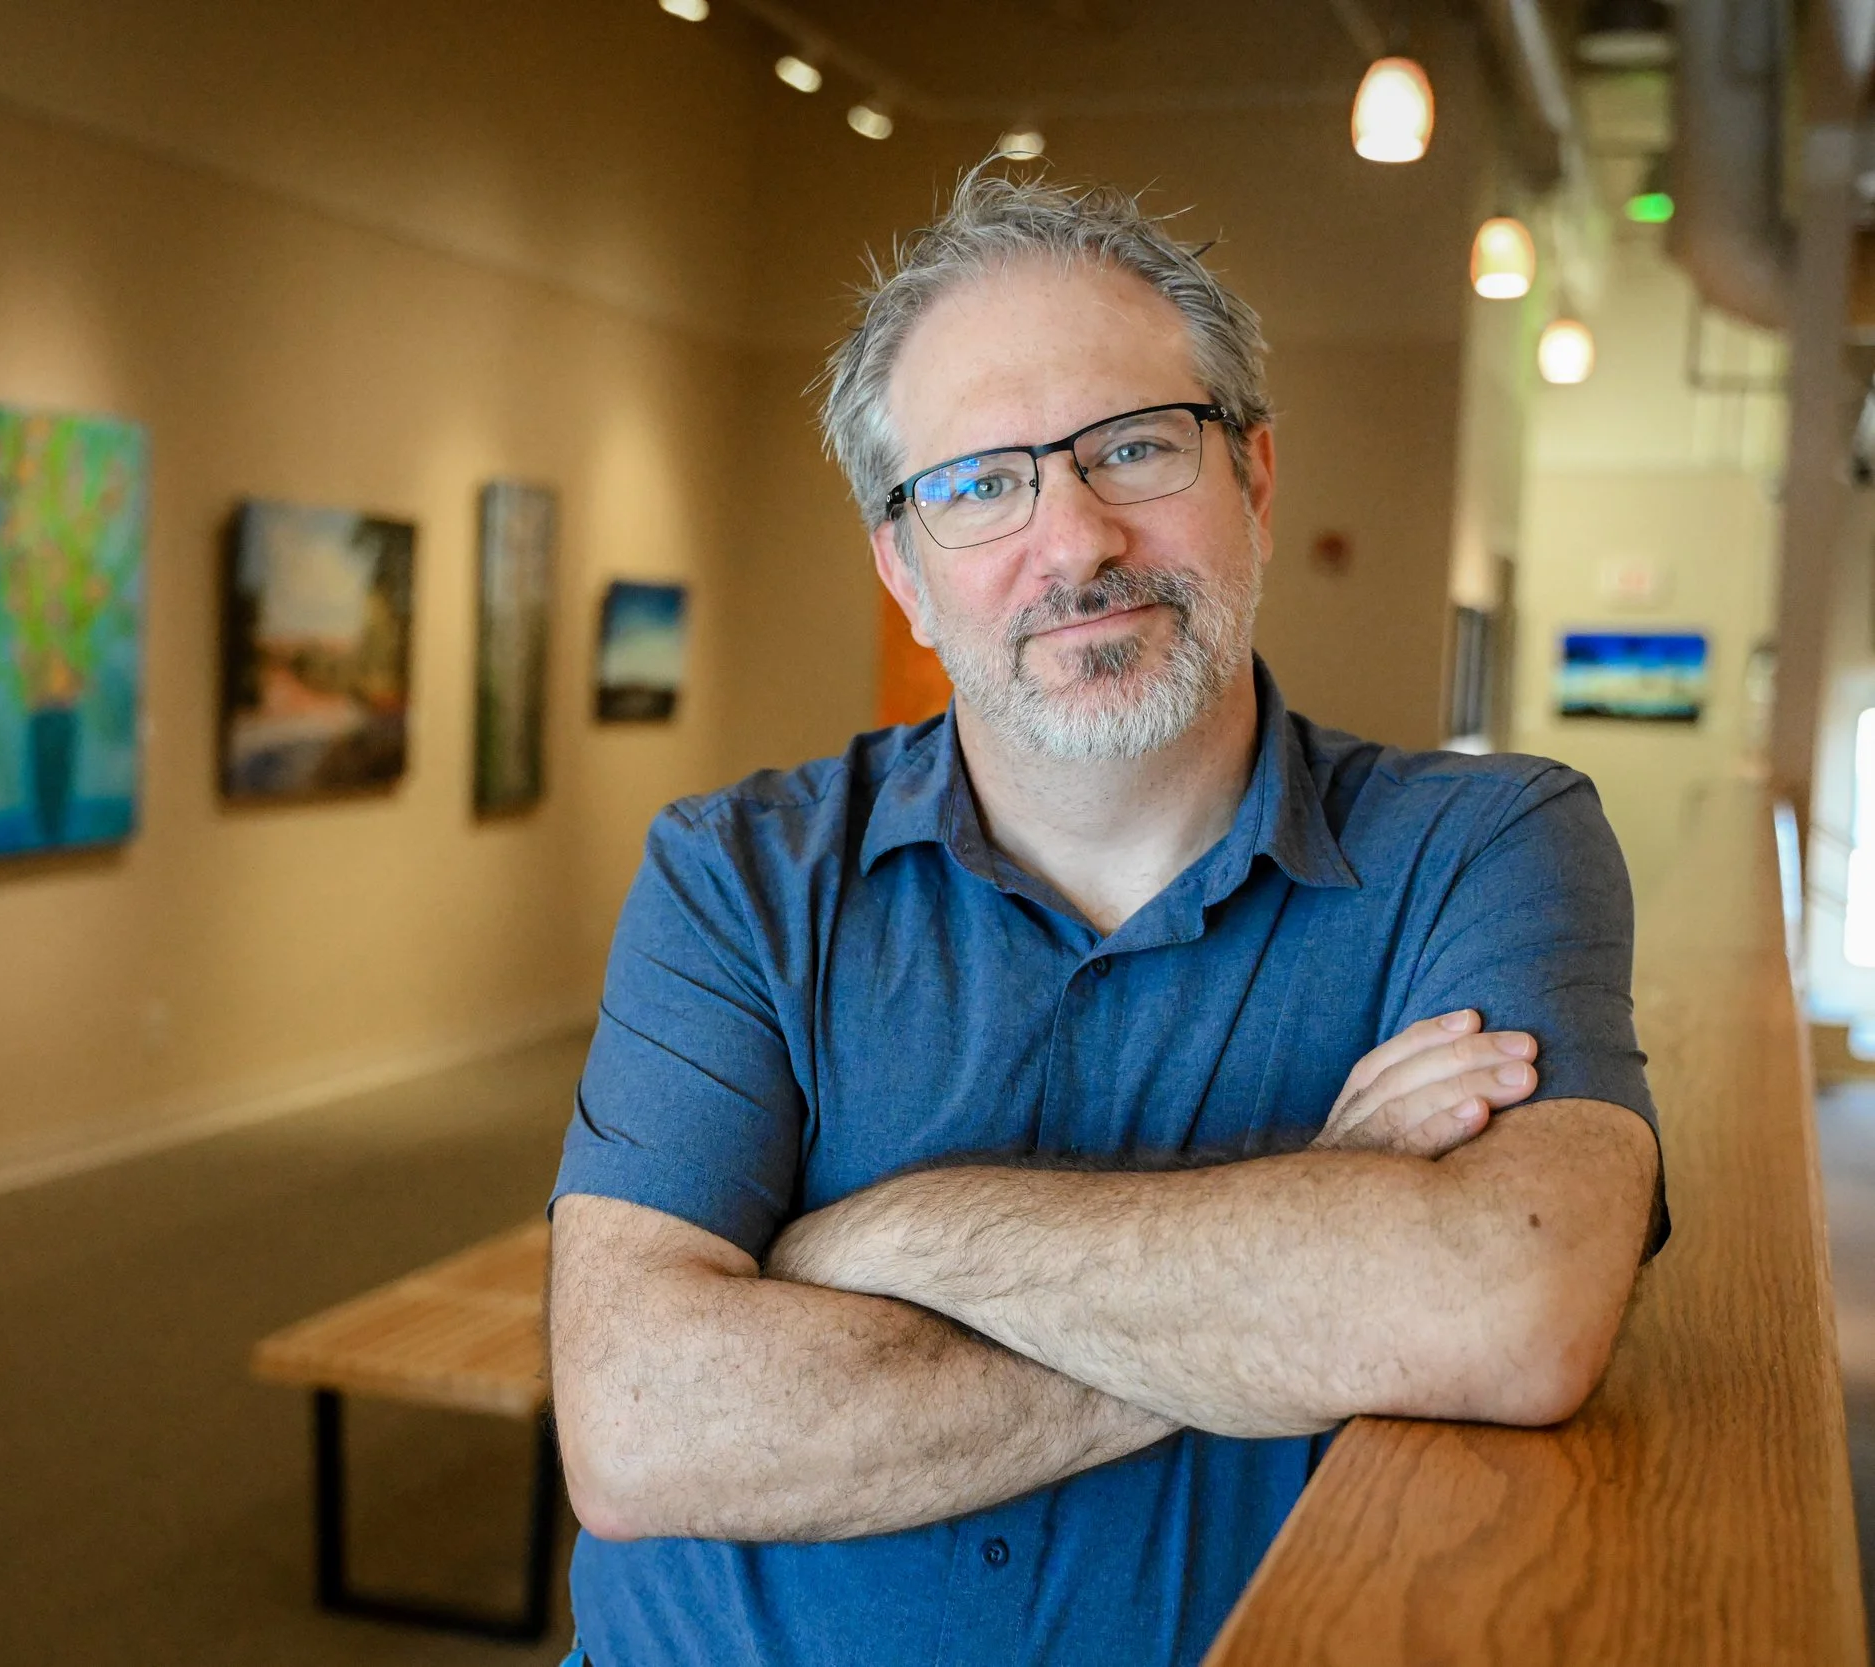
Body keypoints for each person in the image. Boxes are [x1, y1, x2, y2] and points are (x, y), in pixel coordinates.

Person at [544, 167, 1667, 1667]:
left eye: (1134, 448)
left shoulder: (1484, 848)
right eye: (979, 483)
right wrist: (1315, 1245)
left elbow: (1513, 1298)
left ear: (1255, 480)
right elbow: (634, 1426)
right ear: (906, 570)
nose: (1070, 541)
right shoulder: (733, 878)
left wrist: (888, 1235)